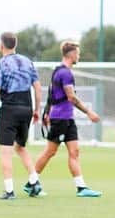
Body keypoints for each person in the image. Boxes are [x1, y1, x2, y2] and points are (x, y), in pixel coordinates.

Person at [34, 40, 102, 197]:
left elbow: (52, 94)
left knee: (74, 151)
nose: (79, 56)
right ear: (71, 54)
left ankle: (81, 187)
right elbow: (71, 97)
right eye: (78, 53)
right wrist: (89, 112)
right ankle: (32, 181)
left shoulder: (60, 71)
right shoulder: (64, 73)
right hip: (60, 118)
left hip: (67, 118)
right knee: (50, 152)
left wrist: (46, 112)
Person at [0, 32, 44, 200]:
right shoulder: (28, 62)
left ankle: (9, 191)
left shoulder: (0, 64)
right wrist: (37, 110)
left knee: (6, 151)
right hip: (26, 107)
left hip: (10, 108)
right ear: (15, 45)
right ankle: (35, 181)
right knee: (20, 147)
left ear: (1, 46)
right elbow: (38, 88)